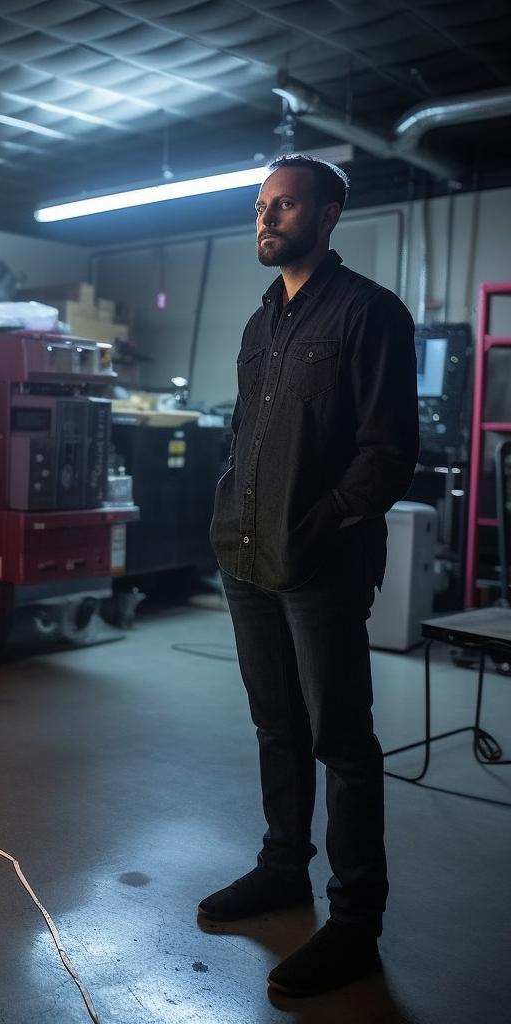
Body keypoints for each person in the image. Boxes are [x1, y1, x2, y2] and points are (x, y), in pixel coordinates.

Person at [203, 153, 419, 996]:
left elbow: (388, 454)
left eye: (285, 205)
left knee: (343, 742)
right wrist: (231, 517)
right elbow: (243, 437)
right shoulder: (262, 322)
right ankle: (282, 866)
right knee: (276, 725)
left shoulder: (370, 313)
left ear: (328, 215)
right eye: (262, 205)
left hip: (318, 566)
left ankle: (355, 919)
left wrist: (316, 525)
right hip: (246, 557)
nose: (267, 218)